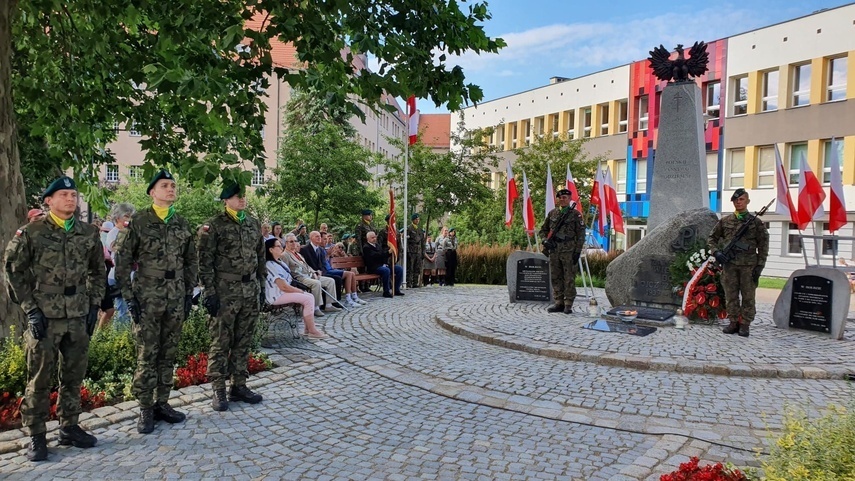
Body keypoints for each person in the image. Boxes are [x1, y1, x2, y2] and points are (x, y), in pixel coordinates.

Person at [4, 176, 103, 462]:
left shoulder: (88, 233)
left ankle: (69, 426)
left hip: (77, 312)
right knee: (39, 378)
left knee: (73, 375)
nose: (70, 199)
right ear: (48, 200)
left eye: (73, 194)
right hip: (45, 313)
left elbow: (98, 270)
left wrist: (94, 305)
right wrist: (30, 309)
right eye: (63, 194)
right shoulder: (31, 232)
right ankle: (36, 435)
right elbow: (13, 271)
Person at [114, 169, 198, 434]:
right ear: (152, 192)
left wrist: (187, 294)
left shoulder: (182, 223)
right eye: (165, 185)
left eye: (173, 185)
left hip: (174, 295)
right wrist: (129, 297)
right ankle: (145, 408)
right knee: (147, 353)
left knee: (168, 351)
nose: (171, 189)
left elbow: (191, 259)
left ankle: (163, 402)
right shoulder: (139, 221)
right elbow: (123, 261)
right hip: (148, 294)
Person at [197, 182, 266, 412]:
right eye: (237, 196)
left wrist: (262, 286)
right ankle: (218, 389)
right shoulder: (214, 226)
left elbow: (260, 258)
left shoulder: (252, 224)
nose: (242, 199)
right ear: (226, 200)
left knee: (243, 340)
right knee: (221, 341)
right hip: (225, 291)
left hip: (249, 290)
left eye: (243, 196)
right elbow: (204, 261)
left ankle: (239, 385)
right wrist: (209, 292)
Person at [708, 188, 769, 337]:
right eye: (736, 200)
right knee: (731, 295)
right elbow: (711, 239)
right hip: (729, 265)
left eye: (741, 199)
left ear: (747, 201)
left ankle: (745, 324)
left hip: (749, 266)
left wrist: (760, 266)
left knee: (748, 296)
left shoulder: (756, 223)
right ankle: (733, 322)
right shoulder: (725, 221)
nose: (738, 202)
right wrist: (717, 253)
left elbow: (763, 245)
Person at [264, 238, 328, 339]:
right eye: (278, 246)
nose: (282, 248)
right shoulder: (270, 265)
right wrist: (298, 290)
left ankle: (308, 329)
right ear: (271, 250)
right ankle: (312, 331)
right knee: (308, 298)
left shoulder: (280, 262)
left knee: (309, 296)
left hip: (283, 292)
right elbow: (283, 286)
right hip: (276, 295)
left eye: (281, 245)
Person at [538, 189, 585, 314]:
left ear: (570, 199)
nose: (562, 199)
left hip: (569, 250)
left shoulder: (575, 214)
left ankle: (568, 303)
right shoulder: (552, 213)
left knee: (569, 277)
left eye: (565, 197)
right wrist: (544, 241)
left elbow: (581, 234)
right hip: (554, 249)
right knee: (556, 276)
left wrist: (577, 251)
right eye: (560, 198)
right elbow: (543, 230)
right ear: (557, 199)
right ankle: (558, 302)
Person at [282, 233, 340, 317]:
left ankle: (329, 305)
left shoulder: (298, 254)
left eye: (295, 241)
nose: (294, 243)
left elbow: (307, 266)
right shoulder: (285, 255)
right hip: (300, 278)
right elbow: (285, 271)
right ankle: (316, 308)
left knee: (330, 281)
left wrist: (314, 272)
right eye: (291, 241)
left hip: (309, 275)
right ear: (286, 243)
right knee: (316, 283)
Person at [100, 203, 136, 329]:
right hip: (118, 276)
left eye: (131, 215)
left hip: (133, 274)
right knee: (122, 309)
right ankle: (119, 338)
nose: (129, 218)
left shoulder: (133, 232)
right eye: (126, 216)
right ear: (118, 218)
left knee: (132, 309)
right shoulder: (113, 232)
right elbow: (115, 247)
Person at [363, 231, 404, 298]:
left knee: (399, 269)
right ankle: (386, 291)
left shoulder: (377, 245)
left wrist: (391, 252)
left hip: (383, 265)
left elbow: (383, 255)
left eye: (375, 237)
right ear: (368, 239)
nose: (374, 239)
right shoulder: (366, 247)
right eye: (372, 238)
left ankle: (396, 289)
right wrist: (388, 252)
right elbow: (376, 256)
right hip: (374, 267)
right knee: (386, 270)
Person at [406, 213, 424, 288]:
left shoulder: (420, 230)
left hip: (418, 251)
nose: (417, 220)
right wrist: (407, 251)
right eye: (416, 219)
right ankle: (408, 282)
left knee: (417, 268)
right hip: (411, 250)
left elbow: (423, 242)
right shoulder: (409, 228)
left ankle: (415, 282)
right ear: (413, 220)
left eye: (418, 219)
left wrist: (423, 251)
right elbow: (406, 241)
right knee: (410, 267)